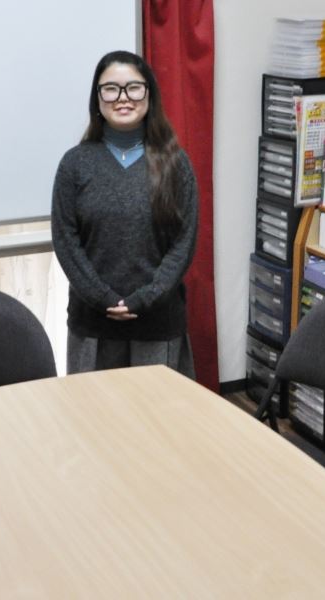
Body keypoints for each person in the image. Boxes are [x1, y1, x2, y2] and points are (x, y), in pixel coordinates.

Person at [51, 50, 198, 378]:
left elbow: (183, 244)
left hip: (158, 322)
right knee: (94, 423)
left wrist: (145, 298)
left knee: (159, 424)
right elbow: (65, 241)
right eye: (111, 89)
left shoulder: (176, 163)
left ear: (149, 94)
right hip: (93, 325)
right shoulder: (75, 164)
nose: (123, 98)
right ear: (97, 98)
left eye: (134, 87)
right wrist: (102, 297)